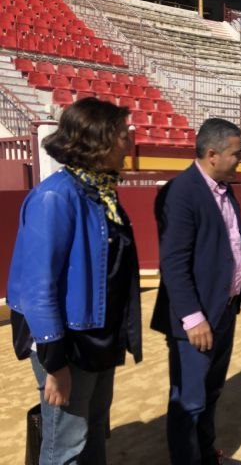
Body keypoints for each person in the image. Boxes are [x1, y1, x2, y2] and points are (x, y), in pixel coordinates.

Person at [7, 97, 142, 465]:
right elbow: (38, 289)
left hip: (99, 337)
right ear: (97, 140)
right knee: (64, 446)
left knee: (95, 429)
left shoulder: (101, 193)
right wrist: (55, 363)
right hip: (70, 343)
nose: (128, 140)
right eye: (120, 133)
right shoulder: (56, 197)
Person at [151, 118, 241, 465]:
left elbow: (233, 244)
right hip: (195, 319)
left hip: (223, 310)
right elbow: (174, 263)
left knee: (211, 392)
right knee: (189, 401)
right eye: (236, 154)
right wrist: (193, 319)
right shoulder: (180, 192)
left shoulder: (223, 187)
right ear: (212, 154)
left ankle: (207, 455)